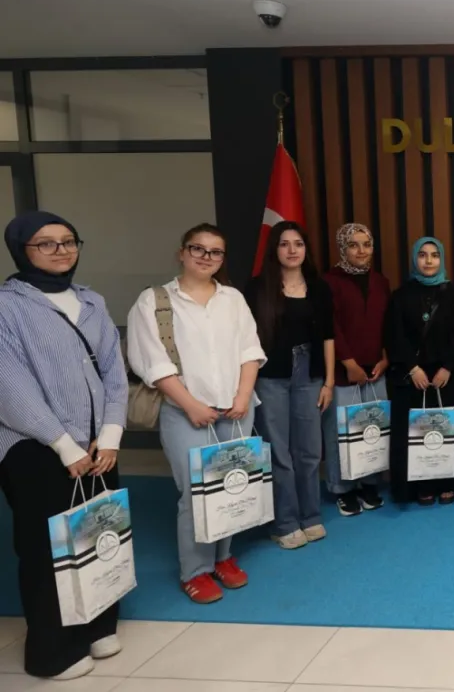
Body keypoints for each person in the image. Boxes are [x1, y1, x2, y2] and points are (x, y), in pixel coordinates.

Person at [0, 211, 128, 680]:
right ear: (22, 250)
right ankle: (51, 651)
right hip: (36, 446)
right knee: (46, 547)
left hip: (99, 446)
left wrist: (110, 435)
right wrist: (63, 445)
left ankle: (97, 625)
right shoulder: (7, 306)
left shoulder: (91, 300)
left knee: (98, 531)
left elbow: (114, 372)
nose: (61, 250)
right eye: (46, 243)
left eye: (69, 241)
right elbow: (9, 384)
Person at [127, 223, 265, 603]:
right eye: (198, 249)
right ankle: (196, 571)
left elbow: (249, 350)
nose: (206, 257)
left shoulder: (232, 299)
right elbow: (151, 361)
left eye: (215, 252)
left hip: (236, 409)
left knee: (232, 483)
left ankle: (223, 557)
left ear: (222, 259)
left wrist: (243, 396)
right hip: (184, 412)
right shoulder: (153, 301)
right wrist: (190, 404)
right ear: (182, 253)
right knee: (195, 493)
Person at [244, 221, 335, 550]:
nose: (292, 250)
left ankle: (310, 515)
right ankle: (284, 522)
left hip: (310, 375)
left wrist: (329, 382)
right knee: (279, 452)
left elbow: (328, 337)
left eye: (298, 243)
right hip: (271, 377)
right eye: (284, 244)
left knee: (309, 450)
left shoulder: (319, 288)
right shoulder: (257, 288)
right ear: (274, 249)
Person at [385, 236, 454, 504]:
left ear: (441, 259)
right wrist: (412, 368)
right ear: (414, 260)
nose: (429, 261)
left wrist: (448, 367)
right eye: (423, 255)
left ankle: (450, 482)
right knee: (418, 432)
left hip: (448, 376)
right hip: (414, 378)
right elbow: (395, 336)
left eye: (434, 255)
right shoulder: (400, 296)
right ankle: (422, 485)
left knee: (448, 430)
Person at [322, 223, 390, 516]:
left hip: (376, 369)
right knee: (341, 431)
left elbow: (387, 323)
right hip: (343, 372)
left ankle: (370, 483)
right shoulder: (329, 281)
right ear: (342, 248)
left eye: (366, 244)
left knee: (372, 428)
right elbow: (330, 326)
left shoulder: (381, 281)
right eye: (353, 245)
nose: (361, 251)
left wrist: (385, 358)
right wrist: (348, 362)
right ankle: (343, 489)